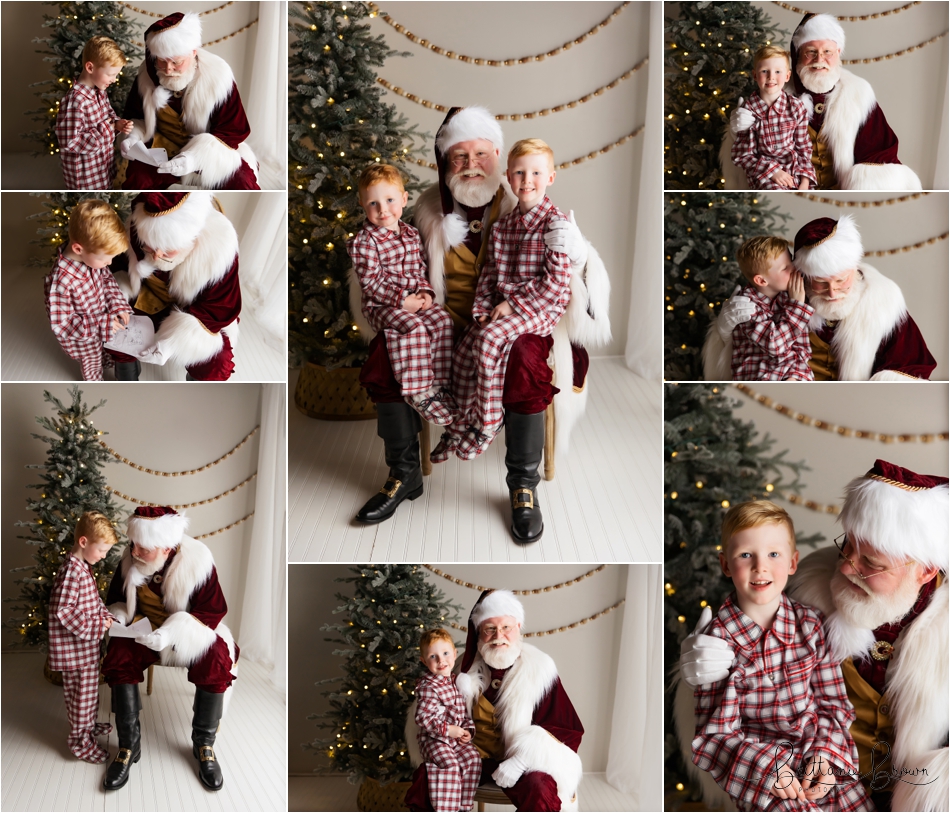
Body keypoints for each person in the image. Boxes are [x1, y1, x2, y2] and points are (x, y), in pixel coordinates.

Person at [354, 106, 612, 539]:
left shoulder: (528, 206)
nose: (471, 166)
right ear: (445, 164)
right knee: (383, 357)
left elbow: (575, 281)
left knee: (527, 359)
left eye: (481, 155)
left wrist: (582, 254)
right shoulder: (423, 213)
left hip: (518, 325)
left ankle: (522, 486)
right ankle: (404, 474)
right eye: (459, 157)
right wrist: (406, 305)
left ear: (499, 158)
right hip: (443, 324)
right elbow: (384, 267)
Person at [677, 460, 948, 811]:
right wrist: (702, 664)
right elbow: (721, 725)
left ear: (925, 570)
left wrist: (827, 755)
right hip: (789, 784)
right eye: (847, 546)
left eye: (873, 563)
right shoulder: (806, 597)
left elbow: (830, 706)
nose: (848, 567)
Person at [692, 501, 872, 811]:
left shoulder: (811, 624)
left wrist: (825, 755)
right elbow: (714, 735)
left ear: (792, 562)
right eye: (745, 555)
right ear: (725, 564)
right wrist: (767, 769)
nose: (760, 567)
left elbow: (833, 704)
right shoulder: (717, 645)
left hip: (818, 759)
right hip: (765, 779)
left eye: (773, 554)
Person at [435, 139, 572, 473]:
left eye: (536, 172)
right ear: (508, 177)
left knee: (489, 340)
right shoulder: (502, 228)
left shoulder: (555, 226)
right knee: (467, 345)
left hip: (539, 309)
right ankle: (458, 426)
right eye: (520, 172)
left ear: (550, 177)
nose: (527, 180)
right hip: (502, 309)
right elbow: (490, 275)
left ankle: (489, 419)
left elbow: (556, 285)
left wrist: (511, 305)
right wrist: (482, 308)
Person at [406, 589, 584, 812]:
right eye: (490, 629)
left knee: (540, 787)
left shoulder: (541, 671)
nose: (498, 636)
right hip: (469, 757)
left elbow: (565, 730)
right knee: (427, 776)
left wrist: (521, 761)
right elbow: (431, 711)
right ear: (479, 632)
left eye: (506, 628)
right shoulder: (459, 668)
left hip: (517, 762)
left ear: (518, 628)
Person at [101, 506, 238, 792]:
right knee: (118, 654)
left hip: (186, 632)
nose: (135, 552)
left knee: (216, 658)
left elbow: (212, 613)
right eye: (133, 544)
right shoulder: (131, 556)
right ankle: (128, 746)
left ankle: (204, 745)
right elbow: (116, 600)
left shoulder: (198, 562)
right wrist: (119, 618)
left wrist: (172, 632)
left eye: (144, 548)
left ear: (166, 548)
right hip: (143, 630)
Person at [703, 215, 936, 381]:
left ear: (854, 269)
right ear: (804, 275)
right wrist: (725, 331)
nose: (832, 293)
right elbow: (748, 354)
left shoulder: (882, 302)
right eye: (821, 283)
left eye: (841, 281)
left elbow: (911, 365)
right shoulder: (784, 294)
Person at [723, 14, 921, 190]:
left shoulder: (859, 95)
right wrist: (737, 129)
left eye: (827, 52)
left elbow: (879, 152)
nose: (819, 59)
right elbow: (747, 152)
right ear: (798, 55)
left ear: (838, 53)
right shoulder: (776, 92)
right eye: (811, 52)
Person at [348, 164, 455, 433]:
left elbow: (419, 270)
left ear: (404, 199)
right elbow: (371, 284)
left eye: (390, 200)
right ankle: (418, 391)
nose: (383, 210)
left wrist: (425, 293)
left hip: (412, 300)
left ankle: (438, 387)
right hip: (381, 305)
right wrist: (402, 301)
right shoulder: (364, 242)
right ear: (362, 204)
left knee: (442, 321)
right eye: (373, 203)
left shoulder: (411, 234)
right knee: (415, 328)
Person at [119, 12, 259, 190]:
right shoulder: (146, 76)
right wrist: (132, 137)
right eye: (161, 62)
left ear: (193, 52)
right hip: (161, 149)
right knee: (138, 180)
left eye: (176, 62)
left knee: (242, 181)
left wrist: (194, 159)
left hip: (209, 152)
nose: (168, 69)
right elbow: (135, 117)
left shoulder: (218, 78)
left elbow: (231, 130)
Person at [111, 191, 241, 381]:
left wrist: (171, 344)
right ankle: (127, 373)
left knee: (216, 359)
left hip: (200, 315)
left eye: (167, 251)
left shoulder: (220, 254)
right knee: (118, 323)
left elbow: (219, 308)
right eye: (149, 248)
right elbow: (119, 269)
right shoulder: (138, 227)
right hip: (150, 297)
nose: (155, 257)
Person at [48, 512, 120, 764]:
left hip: (86, 650)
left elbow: (92, 602)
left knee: (89, 695)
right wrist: (98, 625)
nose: (103, 556)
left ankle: (88, 727)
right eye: (101, 550)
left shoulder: (83, 568)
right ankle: (80, 742)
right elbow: (63, 611)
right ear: (83, 542)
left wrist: (104, 614)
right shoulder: (71, 572)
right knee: (80, 698)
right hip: (75, 653)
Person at [44, 199, 133, 381]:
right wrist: (101, 323)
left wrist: (118, 306)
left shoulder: (92, 258)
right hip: (84, 340)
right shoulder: (60, 281)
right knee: (92, 365)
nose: (109, 264)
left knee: (108, 349)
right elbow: (63, 324)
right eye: (106, 259)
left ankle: (106, 360)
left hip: (104, 322)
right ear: (78, 248)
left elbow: (107, 280)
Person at [730, 45, 815, 191]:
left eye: (777, 71)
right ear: (755, 75)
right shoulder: (748, 112)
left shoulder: (796, 107)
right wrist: (772, 171)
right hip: (765, 176)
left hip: (794, 172)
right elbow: (742, 156)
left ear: (787, 76)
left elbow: (804, 149)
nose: (771, 77)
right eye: (764, 71)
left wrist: (805, 181)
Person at [414, 628, 481, 813]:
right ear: (424, 661)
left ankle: (464, 807)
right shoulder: (428, 687)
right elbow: (423, 718)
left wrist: (468, 730)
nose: (441, 660)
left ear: (454, 654)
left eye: (445, 653)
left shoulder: (456, 682)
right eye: (433, 656)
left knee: (472, 758)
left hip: (455, 740)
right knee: (450, 765)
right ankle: (447, 809)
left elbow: (463, 713)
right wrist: (447, 730)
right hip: (434, 739)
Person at [730, 236, 814, 381]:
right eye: (785, 268)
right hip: (760, 376)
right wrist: (797, 307)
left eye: (791, 261)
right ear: (761, 280)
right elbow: (775, 346)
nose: (794, 268)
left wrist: (795, 376)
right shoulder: (746, 307)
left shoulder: (786, 296)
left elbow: (802, 349)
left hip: (792, 373)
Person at [55, 36, 134, 189]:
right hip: (86, 178)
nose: (114, 79)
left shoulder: (100, 91)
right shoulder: (75, 101)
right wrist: (108, 130)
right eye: (111, 74)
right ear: (90, 68)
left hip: (102, 167)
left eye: (116, 75)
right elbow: (69, 142)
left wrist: (117, 123)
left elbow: (108, 114)